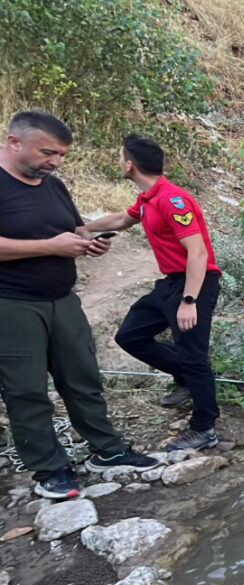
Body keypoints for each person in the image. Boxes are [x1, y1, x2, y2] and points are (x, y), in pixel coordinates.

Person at [0, 111, 159, 499]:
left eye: (61, 155)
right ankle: (49, 469)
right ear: (14, 142)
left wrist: (90, 242)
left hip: (63, 300)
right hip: (12, 305)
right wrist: (49, 247)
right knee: (26, 390)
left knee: (83, 378)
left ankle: (107, 450)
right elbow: (49, 242)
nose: (55, 162)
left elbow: (74, 229)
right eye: (48, 152)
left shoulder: (52, 186)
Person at [85, 134, 223, 452]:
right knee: (130, 336)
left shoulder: (172, 200)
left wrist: (190, 301)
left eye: (120, 157)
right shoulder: (148, 199)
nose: (119, 162)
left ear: (130, 165)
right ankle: (185, 379)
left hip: (195, 284)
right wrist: (83, 227)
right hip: (169, 284)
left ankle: (204, 428)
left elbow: (198, 253)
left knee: (194, 356)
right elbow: (121, 219)